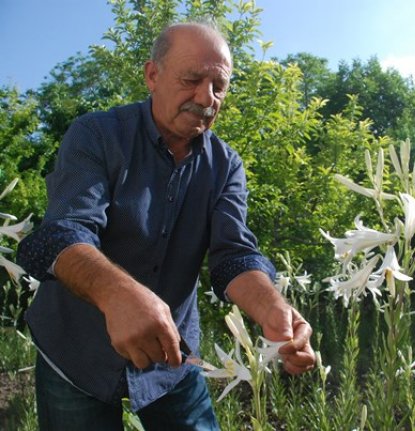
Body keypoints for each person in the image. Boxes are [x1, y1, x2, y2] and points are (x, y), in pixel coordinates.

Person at [17, 19, 315, 430]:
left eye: (219, 86)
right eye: (192, 79)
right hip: (75, 353)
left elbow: (234, 256)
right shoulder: (97, 134)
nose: (206, 98)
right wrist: (116, 294)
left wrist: (273, 308)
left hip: (172, 359)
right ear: (152, 75)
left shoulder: (225, 166)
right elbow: (63, 233)